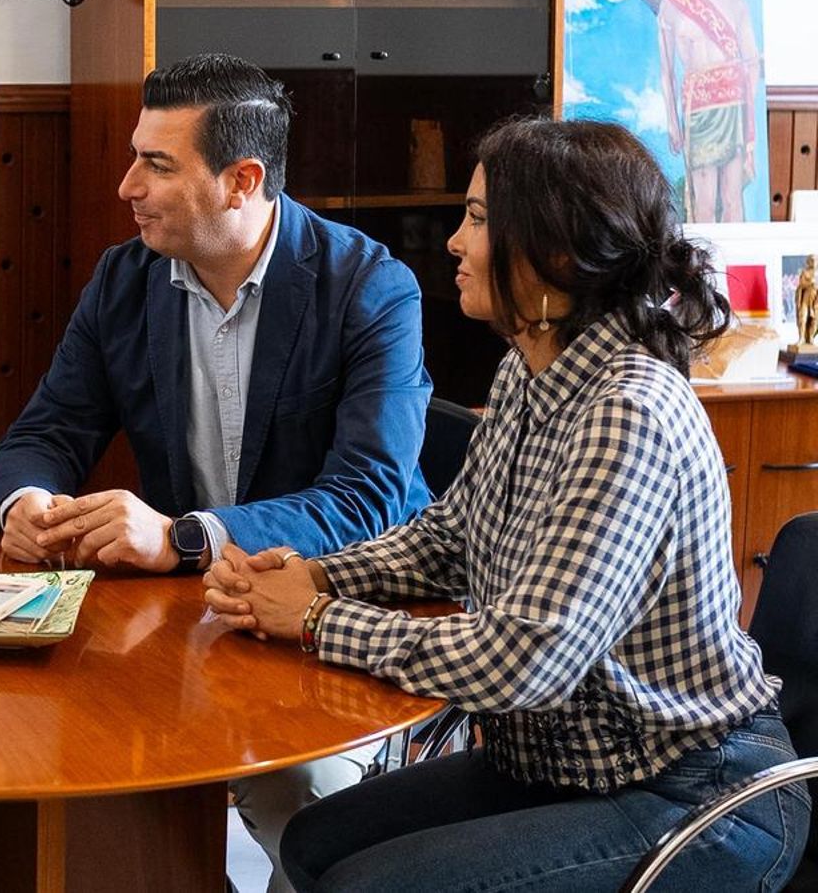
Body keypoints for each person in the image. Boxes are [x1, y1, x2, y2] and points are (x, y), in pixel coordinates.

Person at [204, 117, 811, 891]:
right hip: (562, 764)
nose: (454, 241)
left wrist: (319, 619)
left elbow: (531, 659)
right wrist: (313, 577)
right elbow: (452, 538)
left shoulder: (628, 409)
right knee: (316, 841)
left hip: (693, 793)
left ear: (556, 253)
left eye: (481, 219)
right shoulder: (530, 369)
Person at [0, 53, 432, 890]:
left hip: (337, 607)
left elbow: (368, 499)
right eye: (133, 157)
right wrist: (27, 499)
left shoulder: (370, 288)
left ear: (241, 180)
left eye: (156, 164)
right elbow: (49, 427)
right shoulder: (126, 278)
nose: (126, 186)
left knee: (300, 801)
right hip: (197, 619)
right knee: (66, 753)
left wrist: (186, 537)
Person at [645, 0, 762, 222]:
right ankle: (704, 258)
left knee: (732, 197)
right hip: (698, 106)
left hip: (732, 102)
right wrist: (672, 122)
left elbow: (752, 60)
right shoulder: (672, 4)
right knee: (704, 201)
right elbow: (667, 72)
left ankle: (733, 257)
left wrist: (747, 110)